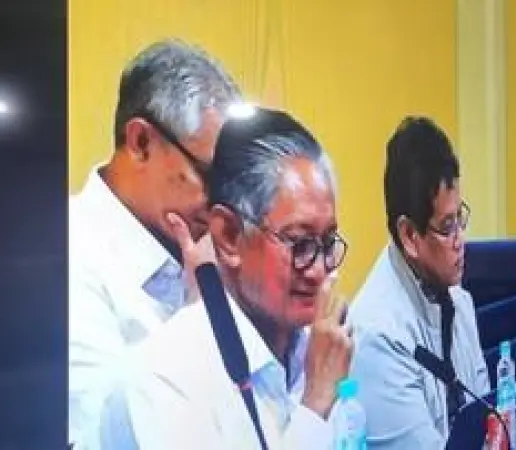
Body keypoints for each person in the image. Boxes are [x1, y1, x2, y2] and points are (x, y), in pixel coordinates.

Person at [99, 108, 353, 449]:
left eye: (328, 242)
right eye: (300, 243)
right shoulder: (166, 378)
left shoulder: (320, 350)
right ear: (229, 236)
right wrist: (316, 406)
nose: (320, 269)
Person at [68, 39, 241, 449]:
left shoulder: (200, 244)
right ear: (141, 142)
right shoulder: (67, 258)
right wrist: (197, 323)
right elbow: (102, 440)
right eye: (209, 176)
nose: (222, 204)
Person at [348, 117, 489, 449]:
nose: (461, 240)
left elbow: (488, 417)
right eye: (447, 226)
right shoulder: (378, 336)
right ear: (410, 235)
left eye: (460, 218)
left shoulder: (459, 300)